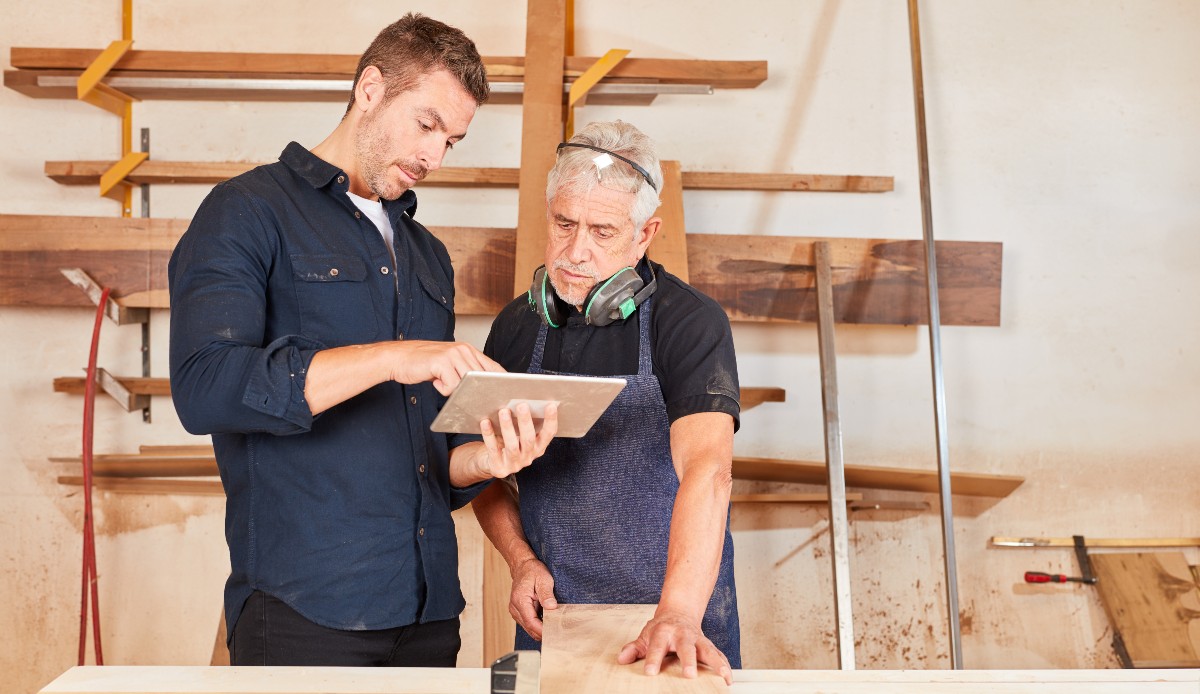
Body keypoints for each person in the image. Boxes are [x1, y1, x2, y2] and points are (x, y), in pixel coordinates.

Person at [168, 13, 557, 667]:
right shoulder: (248, 211)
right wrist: (395, 356)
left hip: (430, 613)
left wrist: (490, 460)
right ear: (370, 89)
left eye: (452, 141)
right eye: (426, 124)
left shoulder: (428, 257)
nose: (434, 156)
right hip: (305, 611)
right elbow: (205, 387)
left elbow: (432, 456)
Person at [472, 120, 741, 684]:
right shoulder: (517, 328)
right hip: (553, 615)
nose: (575, 252)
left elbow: (708, 469)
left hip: (677, 617)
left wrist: (679, 611)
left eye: (602, 231)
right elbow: (483, 471)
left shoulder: (689, 323)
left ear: (645, 234)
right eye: (564, 224)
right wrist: (520, 562)